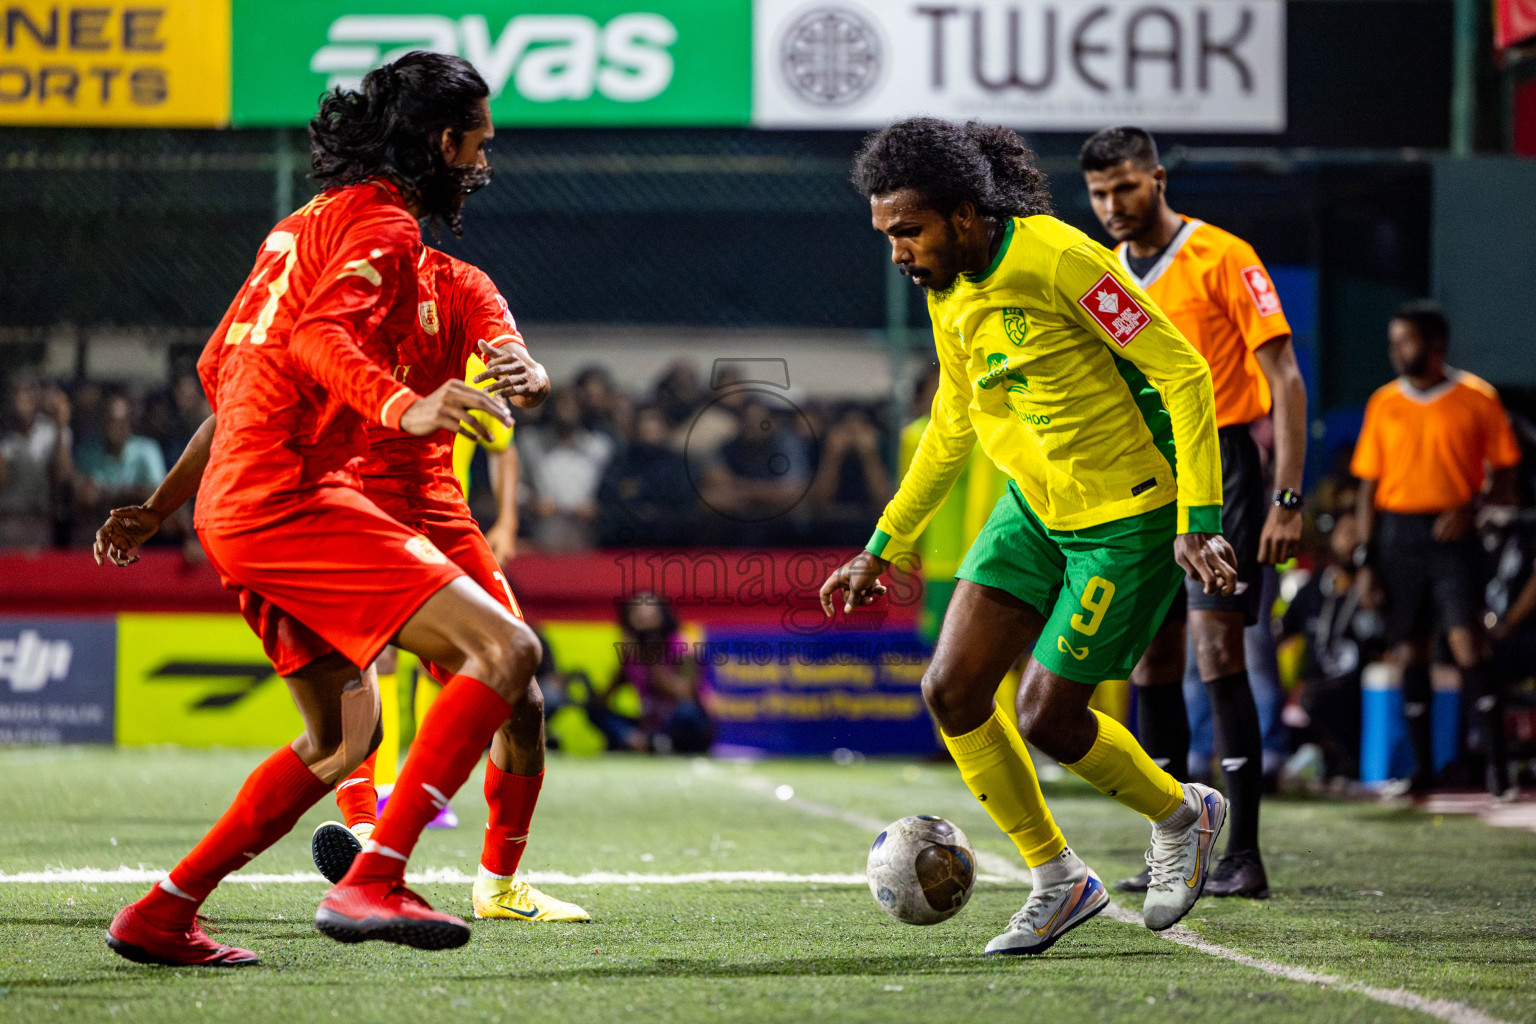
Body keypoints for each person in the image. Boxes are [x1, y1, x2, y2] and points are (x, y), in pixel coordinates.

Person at [97, 52, 537, 967]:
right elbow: (317, 336)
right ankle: (376, 878)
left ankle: (162, 913)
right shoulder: (386, 225)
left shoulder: (295, 229)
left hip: (236, 501)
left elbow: (232, 381)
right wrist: (405, 406)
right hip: (291, 495)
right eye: (475, 145)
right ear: (438, 141)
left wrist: (161, 508)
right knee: (507, 651)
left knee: (342, 742)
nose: (480, 164)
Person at [820, 117, 1239, 957]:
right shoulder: (949, 293)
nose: (898, 251)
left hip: (1127, 513)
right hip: (1035, 508)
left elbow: (1182, 371)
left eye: (911, 230)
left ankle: (1184, 814)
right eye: (888, 234)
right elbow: (951, 423)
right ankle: (1059, 880)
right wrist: (882, 546)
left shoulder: (1060, 260)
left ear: (968, 215)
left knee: (1047, 716)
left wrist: (1199, 521)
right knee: (954, 691)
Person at [1079, 126, 1308, 899]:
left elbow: (1285, 378)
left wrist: (1287, 496)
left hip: (1230, 471)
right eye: (1100, 193)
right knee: (1154, 663)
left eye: (1125, 188)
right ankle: (1173, 846)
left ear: (1158, 179)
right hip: (1149, 479)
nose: (1113, 205)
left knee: (1218, 653)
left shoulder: (1224, 255)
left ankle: (1243, 853)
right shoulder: (1104, 274)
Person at [1351, 301, 1522, 798]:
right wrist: (1366, 560)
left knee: (1468, 643)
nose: (1396, 350)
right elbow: (1367, 488)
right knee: (1409, 650)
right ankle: (1422, 772)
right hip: (1396, 536)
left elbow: (1508, 474)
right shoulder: (1383, 402)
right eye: (1394, 340)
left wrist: (1473, 505)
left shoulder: (1477, 397)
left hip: (1454, 536)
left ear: (1436, 345)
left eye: (1405, 340)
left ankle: (1498, 772)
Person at [0, 375, 72, 547]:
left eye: (27, 393)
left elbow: (63, 478)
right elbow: (3, 483)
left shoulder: (51, 432)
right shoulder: (5, 436)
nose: (21, 400)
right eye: (16, 393)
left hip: (40, 520)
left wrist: (60, 427)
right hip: (8, 520)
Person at [75, 395, 167, 523]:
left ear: (130, 423)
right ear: (103, 423)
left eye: (124, 421)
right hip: (101, 527)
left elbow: (157, 495)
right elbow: (87, 497)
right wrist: (132, 493)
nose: (119, 427)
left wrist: (113, 494)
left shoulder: (147, 449)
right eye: (113, 421)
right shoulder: (89, 453)